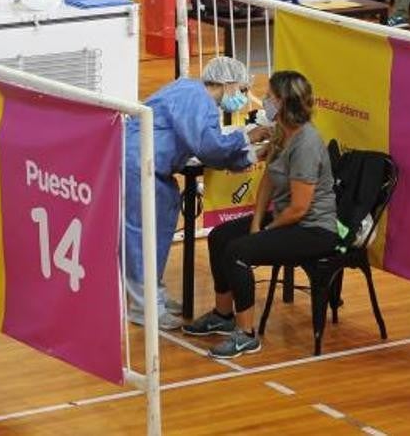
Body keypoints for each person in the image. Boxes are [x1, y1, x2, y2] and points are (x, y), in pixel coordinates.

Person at [182, 71, 339, 359]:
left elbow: (300, 208)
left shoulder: (306, 144)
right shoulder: (282, 133)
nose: (265, 100)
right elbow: (267, 180)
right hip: (285, 218)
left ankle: (246, 335)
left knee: (238, 252)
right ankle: (223, 314)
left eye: (270, 96)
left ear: (284, 102)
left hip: (312, 229)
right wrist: (256, 221)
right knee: (220, 237)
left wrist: (267, 232)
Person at [124, 56, 269, 330]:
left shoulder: (193, 94)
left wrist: (248, 152)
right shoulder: (196, 98)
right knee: (142, 239)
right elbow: (208, 147)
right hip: (139, 165)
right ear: (227, 82)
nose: (241, 96)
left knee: (155, 237)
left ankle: (154, 298)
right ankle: (144, 309)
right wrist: (247, 137)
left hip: (153, 167)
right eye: (240, 89)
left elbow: (208, 147)